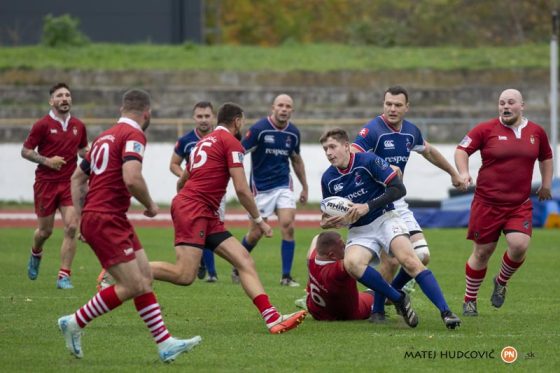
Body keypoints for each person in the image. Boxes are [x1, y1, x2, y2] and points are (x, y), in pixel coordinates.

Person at [59, 89, 200, 363]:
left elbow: (77, 178)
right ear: (146, 113)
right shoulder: (134, 135)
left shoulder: (104, 136)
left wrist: (79, 216)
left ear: (123, 109)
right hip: (106, 219)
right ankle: (75, 321)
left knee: (145, 277)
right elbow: (132, 178)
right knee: (133, 285)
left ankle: (165, 344)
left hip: (110, 218)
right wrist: (150, 204)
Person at [150, 102, 307, 334]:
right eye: (241, 121)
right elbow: (242, 189)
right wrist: (259, 220)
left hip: (201, 210)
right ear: (237, 121)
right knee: (185, 275)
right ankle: (127, 269)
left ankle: (271, 317)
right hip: (195, 210)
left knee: (244, 259)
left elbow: (182, 180)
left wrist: (186, 200)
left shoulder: (204, 142)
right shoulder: (231, 143)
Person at [320, 128, 461, 329]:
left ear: (346, 146)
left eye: (332, 147)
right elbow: (329, 213)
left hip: (386, 218)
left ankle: (446, 312)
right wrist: (326, 222)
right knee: (352, 263)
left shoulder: (368, 161)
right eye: (325, 149)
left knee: (410, 260)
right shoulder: (328, 178)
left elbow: (398, 189)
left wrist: (366, 206)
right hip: (360, 230)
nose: (329, 153)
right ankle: (398, 298)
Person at [351, 85, 467, 318]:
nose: (392, 109)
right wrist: (382, 168)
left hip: (398, 201)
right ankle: (377, 311)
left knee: (422, 255)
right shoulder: (372, 130)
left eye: (397, 105)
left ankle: (393, 293)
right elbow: (354, 156)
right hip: (377, 203)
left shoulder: (410, 131)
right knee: (390, 260)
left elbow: (429, 151)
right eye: (388, 104)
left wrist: (453, 173)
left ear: (407, 107)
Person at [455, 88, 553, 316]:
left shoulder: (536, 132)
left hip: (518, 204)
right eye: (501, 103)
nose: (505, 107)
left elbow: (546, 156)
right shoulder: (485, 129)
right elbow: (461, 150)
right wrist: (463, 173)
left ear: (522, 106)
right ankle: (470, 299)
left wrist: (546, 184)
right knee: (482, 252)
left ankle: (501, 281)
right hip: (487, 203)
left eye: (510, 102)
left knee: (519, 246)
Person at [21, 82, 88, 289]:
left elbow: (83, 150)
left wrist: (97, 159)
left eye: (67, 95)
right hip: (46, 184)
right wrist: (47, 161)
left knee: (71, 226)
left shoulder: (79, 125)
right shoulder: (42, 125)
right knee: (45, 232)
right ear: (51, 101)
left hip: (69, 184)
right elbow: (26, 151)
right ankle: (36, 253)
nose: (65, 98)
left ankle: (63, 276)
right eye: (59, 96)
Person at [237, 94, 309, 287]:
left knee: (288, 225)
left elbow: (296, 160)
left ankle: (286, 276)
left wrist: (305, 187)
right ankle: (237, 265)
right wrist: (238, 179)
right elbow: (239, 153)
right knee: (255, 233)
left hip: (283, 185)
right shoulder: (259, 129)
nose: (284, 109)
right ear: (273, 108)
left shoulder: (293, 133)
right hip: (260, 189)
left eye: (288, 106)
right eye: (281, 105)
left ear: (292, 111)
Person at [170, 101, 220, 282]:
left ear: (213, 117)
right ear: (194, 118)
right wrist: (186, 175)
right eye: (200, 116)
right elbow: (173, 164)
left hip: (215, 194)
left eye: (207, 116)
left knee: (213, 231)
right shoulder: (186, 140)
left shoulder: (221, 138)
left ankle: (204, 265)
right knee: (205, 230)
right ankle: (211, 273)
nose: (204, 120)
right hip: (194, 195)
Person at [305, 231, 374, 321]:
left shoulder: (313, 257)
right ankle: (396, 298)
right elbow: (357, 262)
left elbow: (316, 237)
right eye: (343, 247)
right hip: (346, 314)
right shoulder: (337, 269)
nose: (346, 248)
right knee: (378, 294)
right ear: (332, 255)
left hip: (315, 311)